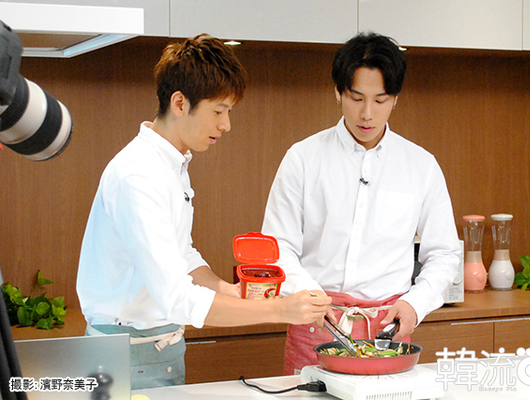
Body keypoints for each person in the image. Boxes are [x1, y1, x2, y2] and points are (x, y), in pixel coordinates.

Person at [76, 34, 331, 389]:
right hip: (126, 355)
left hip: (160, 347)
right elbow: (177, 296)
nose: (226, 125)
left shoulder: (172, 165)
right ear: (180, 103)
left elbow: (182, 255)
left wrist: (230, 291)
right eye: (219, 111)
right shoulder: (138, 176)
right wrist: (278, 311)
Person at [261, 32, 462, 374]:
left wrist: (415, 304)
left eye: (380, 100)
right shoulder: (303, 158)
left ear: (396, 99)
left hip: (387, 329)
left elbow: (444, 253)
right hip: (316, 322)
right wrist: (307, 293)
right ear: (338, 92)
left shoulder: (421, 165)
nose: (367, 114)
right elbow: (276, 246)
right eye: (356, 98)